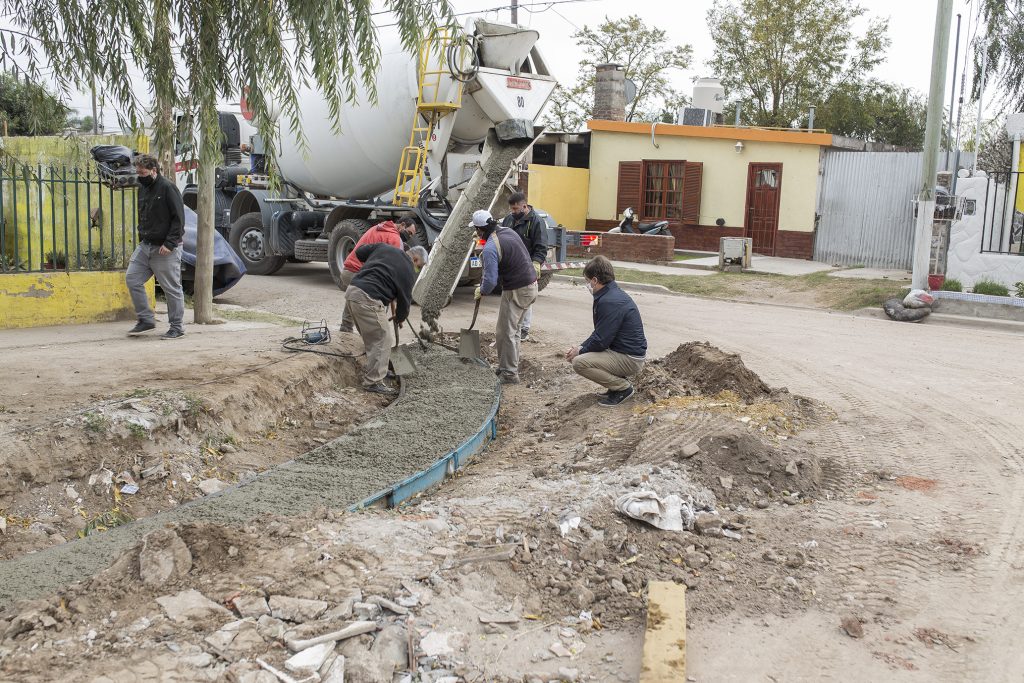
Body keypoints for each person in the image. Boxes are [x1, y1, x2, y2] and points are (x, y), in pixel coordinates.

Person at [566, 256, 647, 407]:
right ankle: (615, 386)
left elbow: (601, 340)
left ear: (595, 280)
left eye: (587, 280)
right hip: (624, 352)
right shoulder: (610, 294)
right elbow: (600, 333)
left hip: (630, 359)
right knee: (583, 354)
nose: (587, 284)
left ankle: (623, 388)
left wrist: (580, 352)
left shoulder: (609, 301)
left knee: (579, 363)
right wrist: (581, 347)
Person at [345, 244, 426, 393]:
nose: (417, 270)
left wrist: (377, 266)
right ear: (415, 259)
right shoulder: (408, 269)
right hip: (368, 298)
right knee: (383, 338)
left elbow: (361, 252)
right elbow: (405, 301)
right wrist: (400, 318)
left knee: (372, 336)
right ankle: (373, 382)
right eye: (418, 267)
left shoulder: (385, 248)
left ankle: (378, 369)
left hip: (352, 292)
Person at [472, 209, 537, 385]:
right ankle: (507, 366)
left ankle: (509, 374)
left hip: (517, 290)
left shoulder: (491, 248)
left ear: (479, 229)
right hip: (530, 286)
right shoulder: (507, 231)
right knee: (513, 332)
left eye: (476, 230)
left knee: (505, 333)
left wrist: (482, 290)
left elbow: (491, 281)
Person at [125, 154, 186, 340]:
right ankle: (146, 320)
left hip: (165, 248)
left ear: (154, 171)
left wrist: (170, 243)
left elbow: (179, 219)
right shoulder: (142, 189)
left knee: (171, 288)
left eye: (143, 173)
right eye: (137, 172)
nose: (140, 176)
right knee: (132, 278)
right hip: (146, 246)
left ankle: (177, 327)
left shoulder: (168, 188)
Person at [338, 215, 419, 333]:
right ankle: (375, 332)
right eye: (409, 233)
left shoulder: (380, 227)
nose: (409, 237)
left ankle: (345, 328)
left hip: (348, 270)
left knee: (355, 296)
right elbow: (393, 268)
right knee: (377, 300)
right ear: (402, 225)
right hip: (358, 272)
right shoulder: (394, 238)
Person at [500, 191, 547, 341]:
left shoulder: (536, 222)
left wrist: (536, 263)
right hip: (510, 265)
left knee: (525, 296)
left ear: (524, 206)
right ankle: (513, 326)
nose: (512, 212)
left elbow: (541, 247)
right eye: (511, 209)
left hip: (526, 265)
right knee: (511, 297)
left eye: (515, 209)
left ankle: (524, 328)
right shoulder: (509, 220)